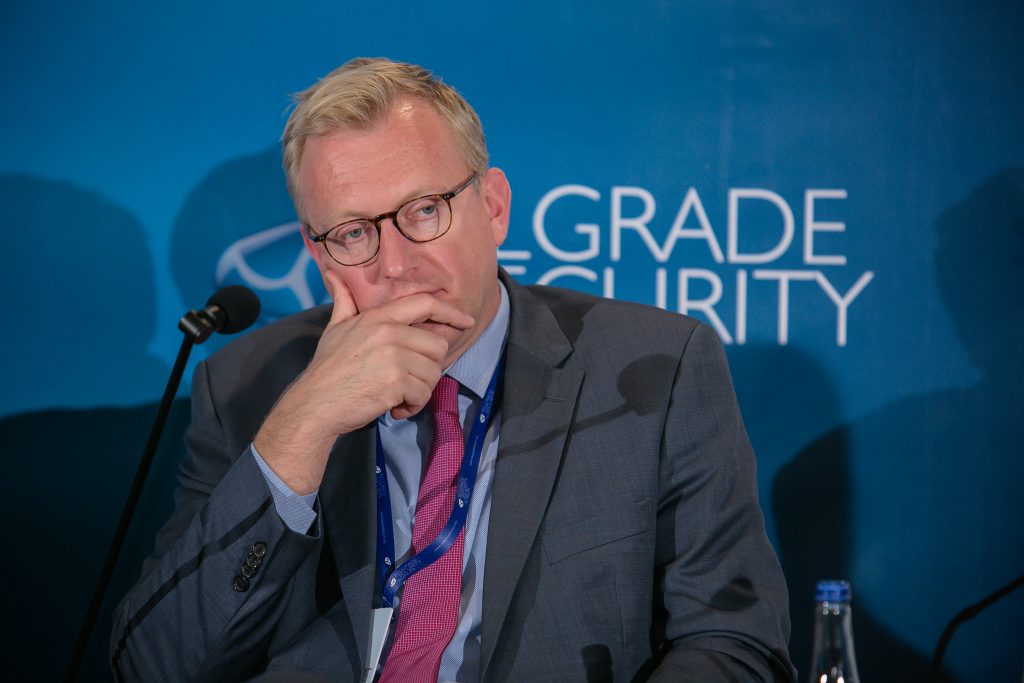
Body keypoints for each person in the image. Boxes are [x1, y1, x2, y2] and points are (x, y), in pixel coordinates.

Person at [111, 57, 795, 682]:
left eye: (423, 211)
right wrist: (304, 424)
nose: (395, 263)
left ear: (493, 207)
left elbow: (735, 644)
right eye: (353, 233)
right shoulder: (247, 387)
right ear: (318, 255)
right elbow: (152, 670)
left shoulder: (653, 368)